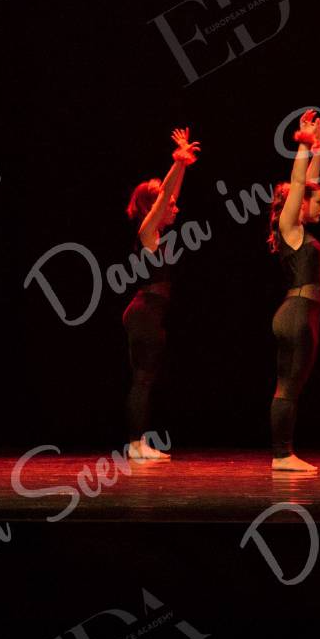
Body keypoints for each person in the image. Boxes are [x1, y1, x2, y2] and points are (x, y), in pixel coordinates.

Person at [122, 128, 198, 461]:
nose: (176, 208)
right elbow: (166, 195)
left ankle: (138, 442)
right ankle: (135, 444)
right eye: (169, 205)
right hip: (145, 313)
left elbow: (170, 194)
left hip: (149, 313)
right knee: (142, 380)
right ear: (153, 207)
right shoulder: (147, 233)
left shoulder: (155, 233)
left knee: (145, 380)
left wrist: (182, 166)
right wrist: (176, 162)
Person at [268, 110, 320, 473]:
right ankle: (282, 455)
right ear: (301, 204)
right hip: (295, 313)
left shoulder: (299, 228)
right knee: (288, 385)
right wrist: (305, 145)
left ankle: (284, 453)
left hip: (304, 313)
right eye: (318, 202)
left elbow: (307, 186)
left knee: (293, 384)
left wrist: (318, 154)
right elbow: (299, 184)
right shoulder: (290, 228)